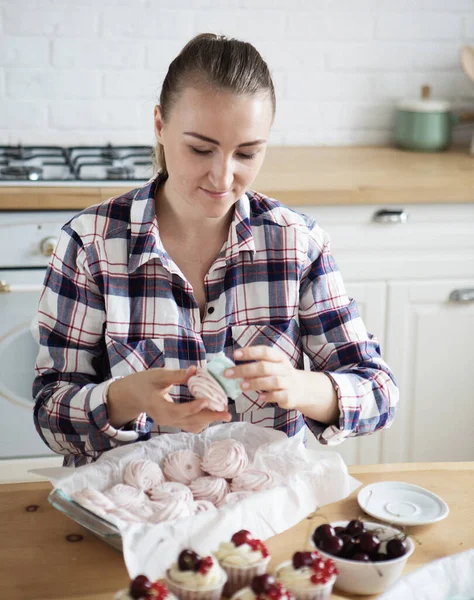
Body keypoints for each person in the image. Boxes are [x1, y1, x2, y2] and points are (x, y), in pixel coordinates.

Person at [33, 33, 399, 467]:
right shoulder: (91, 244)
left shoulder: (297, 243)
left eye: (247, 153)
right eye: (200, 149)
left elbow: (380, 393)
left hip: (259, 514)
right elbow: (49, 414)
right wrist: (124, 398)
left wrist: (300, 386)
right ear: (159, 126)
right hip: (128, 512)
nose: (223, 177)